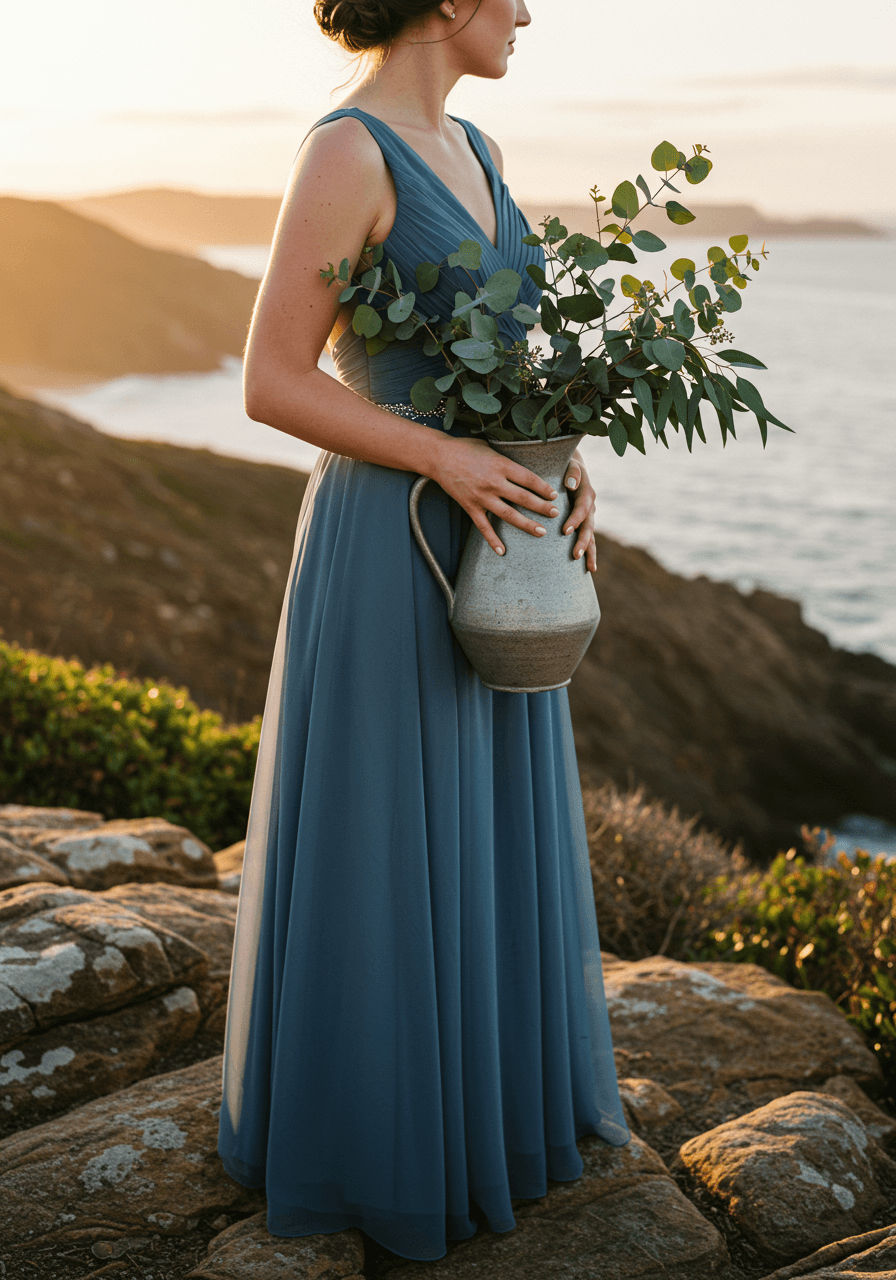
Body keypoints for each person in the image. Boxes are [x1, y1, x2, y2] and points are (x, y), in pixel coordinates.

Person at [217, 0, 632, 1262]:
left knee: (482, 818)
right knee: (385, 832)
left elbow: (505, 360)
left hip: (494, 533)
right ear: (447, 0)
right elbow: (273, 378)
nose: (524, 10)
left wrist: (552, 462)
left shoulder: (482, 152)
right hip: (386, 538)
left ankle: (480, 1112)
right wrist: (444, 457)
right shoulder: (345, 153)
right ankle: (374, 1143)